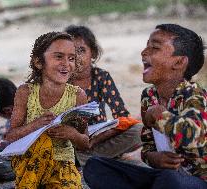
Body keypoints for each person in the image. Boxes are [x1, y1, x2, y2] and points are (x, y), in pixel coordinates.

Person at [83, 24, 207, 189]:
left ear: (179, 62)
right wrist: (153, 157)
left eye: (154, 47)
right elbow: (148, 146)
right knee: (95, 167)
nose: (144, 52)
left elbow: (195, 137)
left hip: (197, 181)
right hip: (163, 177)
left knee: (169, 180)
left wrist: (160, 116)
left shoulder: (194, 94)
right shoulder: (149, 96)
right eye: (146, 45)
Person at [4, 31, 89, 189]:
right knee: (44, 141)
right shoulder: (26, 92)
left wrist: (72, 134)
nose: (66, 63)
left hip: (62, 163)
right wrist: (35, 125)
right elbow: (10, 136)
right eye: (58, 57)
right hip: (28, 160)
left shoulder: (78, 96)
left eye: (71, 58)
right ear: (38, 62)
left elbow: (85, 143)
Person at [65, 25, 142, 166]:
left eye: (81, 50)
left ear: (93, 53)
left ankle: (88, 159)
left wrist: (94, 140)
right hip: (70, 144)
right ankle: (97, 158)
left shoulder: (101, 77)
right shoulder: (60, 80)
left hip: (97, 140)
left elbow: (121, 116)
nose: (75, 57)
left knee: (139, 131)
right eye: (69, 52)